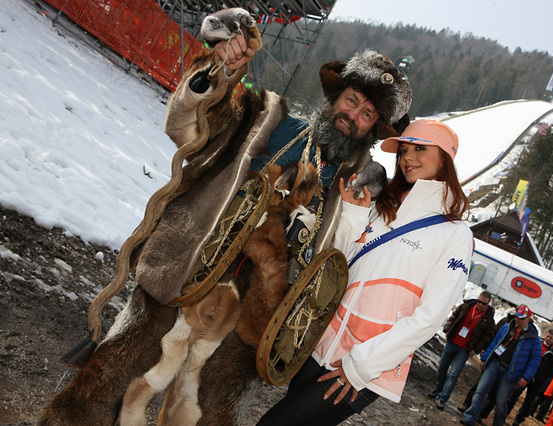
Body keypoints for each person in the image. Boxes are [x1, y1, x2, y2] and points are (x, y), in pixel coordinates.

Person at [39, 8, 413, 425]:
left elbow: (342, 267)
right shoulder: (268, 121)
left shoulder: (356, 191)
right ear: (335, 97)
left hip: (255, 315)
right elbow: (190, 128)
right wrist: (216, 71)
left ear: (373, 129)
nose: (353, 116)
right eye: (352, 101)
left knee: (208, 417)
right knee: (100, 390)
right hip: (188, 270)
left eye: (367, 115)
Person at [257, 119, 474, 425]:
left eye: (420, 149)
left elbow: (430, 317)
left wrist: (360, 365)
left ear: (445, 159)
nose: (407, 157)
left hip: (363, 366)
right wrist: (354, 214)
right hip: (320, 344)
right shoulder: (384, 206)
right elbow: (342, 267)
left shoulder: (455, 233)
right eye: (404, 150)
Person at [460, 305, 542, 426]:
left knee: (501, 401)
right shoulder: (506, 328)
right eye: (516, 317)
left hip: (511, 372)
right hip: (495, 363)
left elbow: (535, 360)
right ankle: (470, 417)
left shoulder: (534, 339)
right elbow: (495, 343)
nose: (517, 320)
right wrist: (485, 358)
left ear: (528, 320)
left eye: (521, 318)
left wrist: (526, 377)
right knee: (480, 390)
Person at [428, 291, 495, 410]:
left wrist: (476, 349)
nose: (480, 304)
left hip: (464, 350)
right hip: (452, 342)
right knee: (442, 367)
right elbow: (453, 317)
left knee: (453, 374)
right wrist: (447, 329)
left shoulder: (488, 320)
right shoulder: (466, 307)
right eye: (479, 301)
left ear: (487, 304)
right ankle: (438, 389)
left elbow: (486, 338)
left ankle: (443, 399)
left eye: (483, 303)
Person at [510, 328, 553, 426]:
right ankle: (506, 412)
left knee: (529, 401)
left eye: (551, 338)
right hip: (526, 374)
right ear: (545, 335)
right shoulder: (537, 344)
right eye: (547, 336)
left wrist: (544, 376)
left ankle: (518, 419)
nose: (548, 339)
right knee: (514, 393)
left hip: (538, 380)